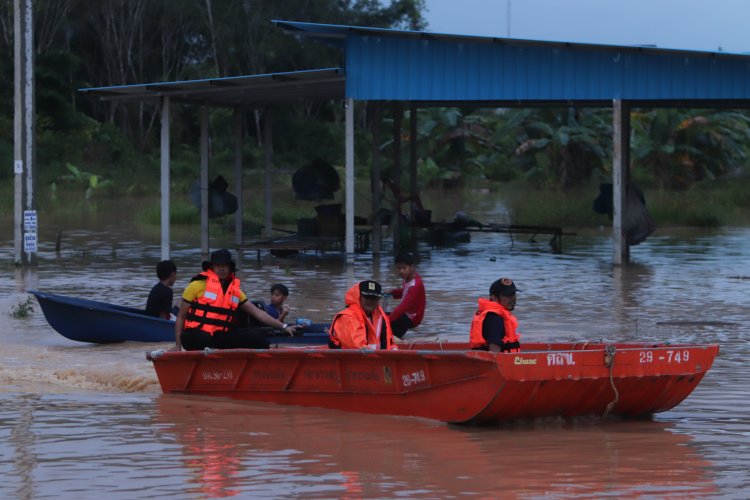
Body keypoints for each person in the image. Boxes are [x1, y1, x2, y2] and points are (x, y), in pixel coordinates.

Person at [170, 249, 297, 351]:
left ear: (230, 268)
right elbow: (181, 317)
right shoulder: (196, 286)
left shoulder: (235, 292)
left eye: (225, 266)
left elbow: (258, 313)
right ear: (212, 268)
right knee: (203, 338)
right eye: (218, 265)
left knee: (260, 336)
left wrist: (283, 326)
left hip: (219, 337)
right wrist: (177, 345)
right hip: (195, 336)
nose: (221, 269)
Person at [329, 280, 397, 350]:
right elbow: (356, 347)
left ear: (378, 299)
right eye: (366, 297)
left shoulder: (381, 317)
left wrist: (393, 349)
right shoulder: (348, 317)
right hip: (350, 359)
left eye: (374, 298)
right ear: (359, 297)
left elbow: (388, 344)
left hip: (373, 359)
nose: (370, 301)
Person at [469, 277, 521, 353]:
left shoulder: (497, 316)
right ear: (494, 297)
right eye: (507, 295)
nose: (512, 298)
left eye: (513, 294)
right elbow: (494, 354)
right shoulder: (494, 319)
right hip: (497, 363)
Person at [388, 250, 426, 339]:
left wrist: (387, 320)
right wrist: (393, 292)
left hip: (412, 318)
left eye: (404, 268)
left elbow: (403, 307)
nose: (401, 271)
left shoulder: (416, 285)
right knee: (383, 315)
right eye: (399, 268)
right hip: (405, 314)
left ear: (411, 267)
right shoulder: (407, 278)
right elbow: (405, 292)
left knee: (389, 329)